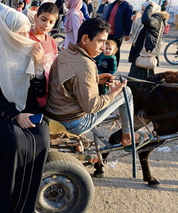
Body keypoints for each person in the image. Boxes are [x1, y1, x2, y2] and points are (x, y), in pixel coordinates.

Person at [46, 18, 153, 153]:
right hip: (73, 122)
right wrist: (113, 94)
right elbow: (91, 106)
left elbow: (70, 81)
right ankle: (128, 137)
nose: (103, 48)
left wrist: (96, 79)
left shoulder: (66, 53)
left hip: (56, 112)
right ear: (85, 39)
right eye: (100, 42)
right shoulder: (86, 64)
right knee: (126, 92)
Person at [0, 8, 50, 212]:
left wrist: (38, 68)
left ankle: (24, 206)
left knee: (41, 139)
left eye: (26, 32)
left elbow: (38, 91)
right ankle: (2, 205)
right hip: (1, 113)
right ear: (8, 32)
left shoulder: (29, 52)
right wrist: (15, 116)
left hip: (27, 109)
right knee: (16, 144)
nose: (25, 37)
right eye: (20, 33)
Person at [127, 1, 168, 97]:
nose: (142, 12)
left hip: (146, 55)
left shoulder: (157, 19)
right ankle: (135, 106)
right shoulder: (154, 19)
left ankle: (138, 106)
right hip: (142, 54)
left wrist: (149, 5)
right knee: (136, 82)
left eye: (144, 10)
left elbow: (146, 20)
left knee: (138, 83)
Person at [29, 2, 59, 107]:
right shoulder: (27, 39)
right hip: (31, 92)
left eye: (51, 22)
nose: (47, 25)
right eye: (43, 19)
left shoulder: (52, 42)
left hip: (48, 92)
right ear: (36, 17)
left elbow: (54, 67)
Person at [104, 0, 133, 67]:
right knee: (106, 50)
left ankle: (114, 67)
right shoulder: (112, 4)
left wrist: (127, 33)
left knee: (115, 51)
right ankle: (106, 66)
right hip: (108, 32)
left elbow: (128, 21)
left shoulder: (127, 6)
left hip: (118, 33)